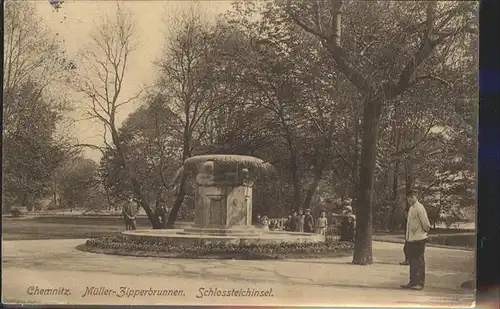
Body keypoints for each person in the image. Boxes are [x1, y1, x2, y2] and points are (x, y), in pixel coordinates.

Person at [401, 190, 431, 291]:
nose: (409, 199)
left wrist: (423, 233)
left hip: (419, 239)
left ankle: (419, 283)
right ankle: (412, 282)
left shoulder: (419, 208)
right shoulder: (411, 208)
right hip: (411, 240)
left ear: (416, 197)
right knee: (413, 262)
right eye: (408, 197)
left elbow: (426, 224)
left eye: (411, 197)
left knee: (419, 261)